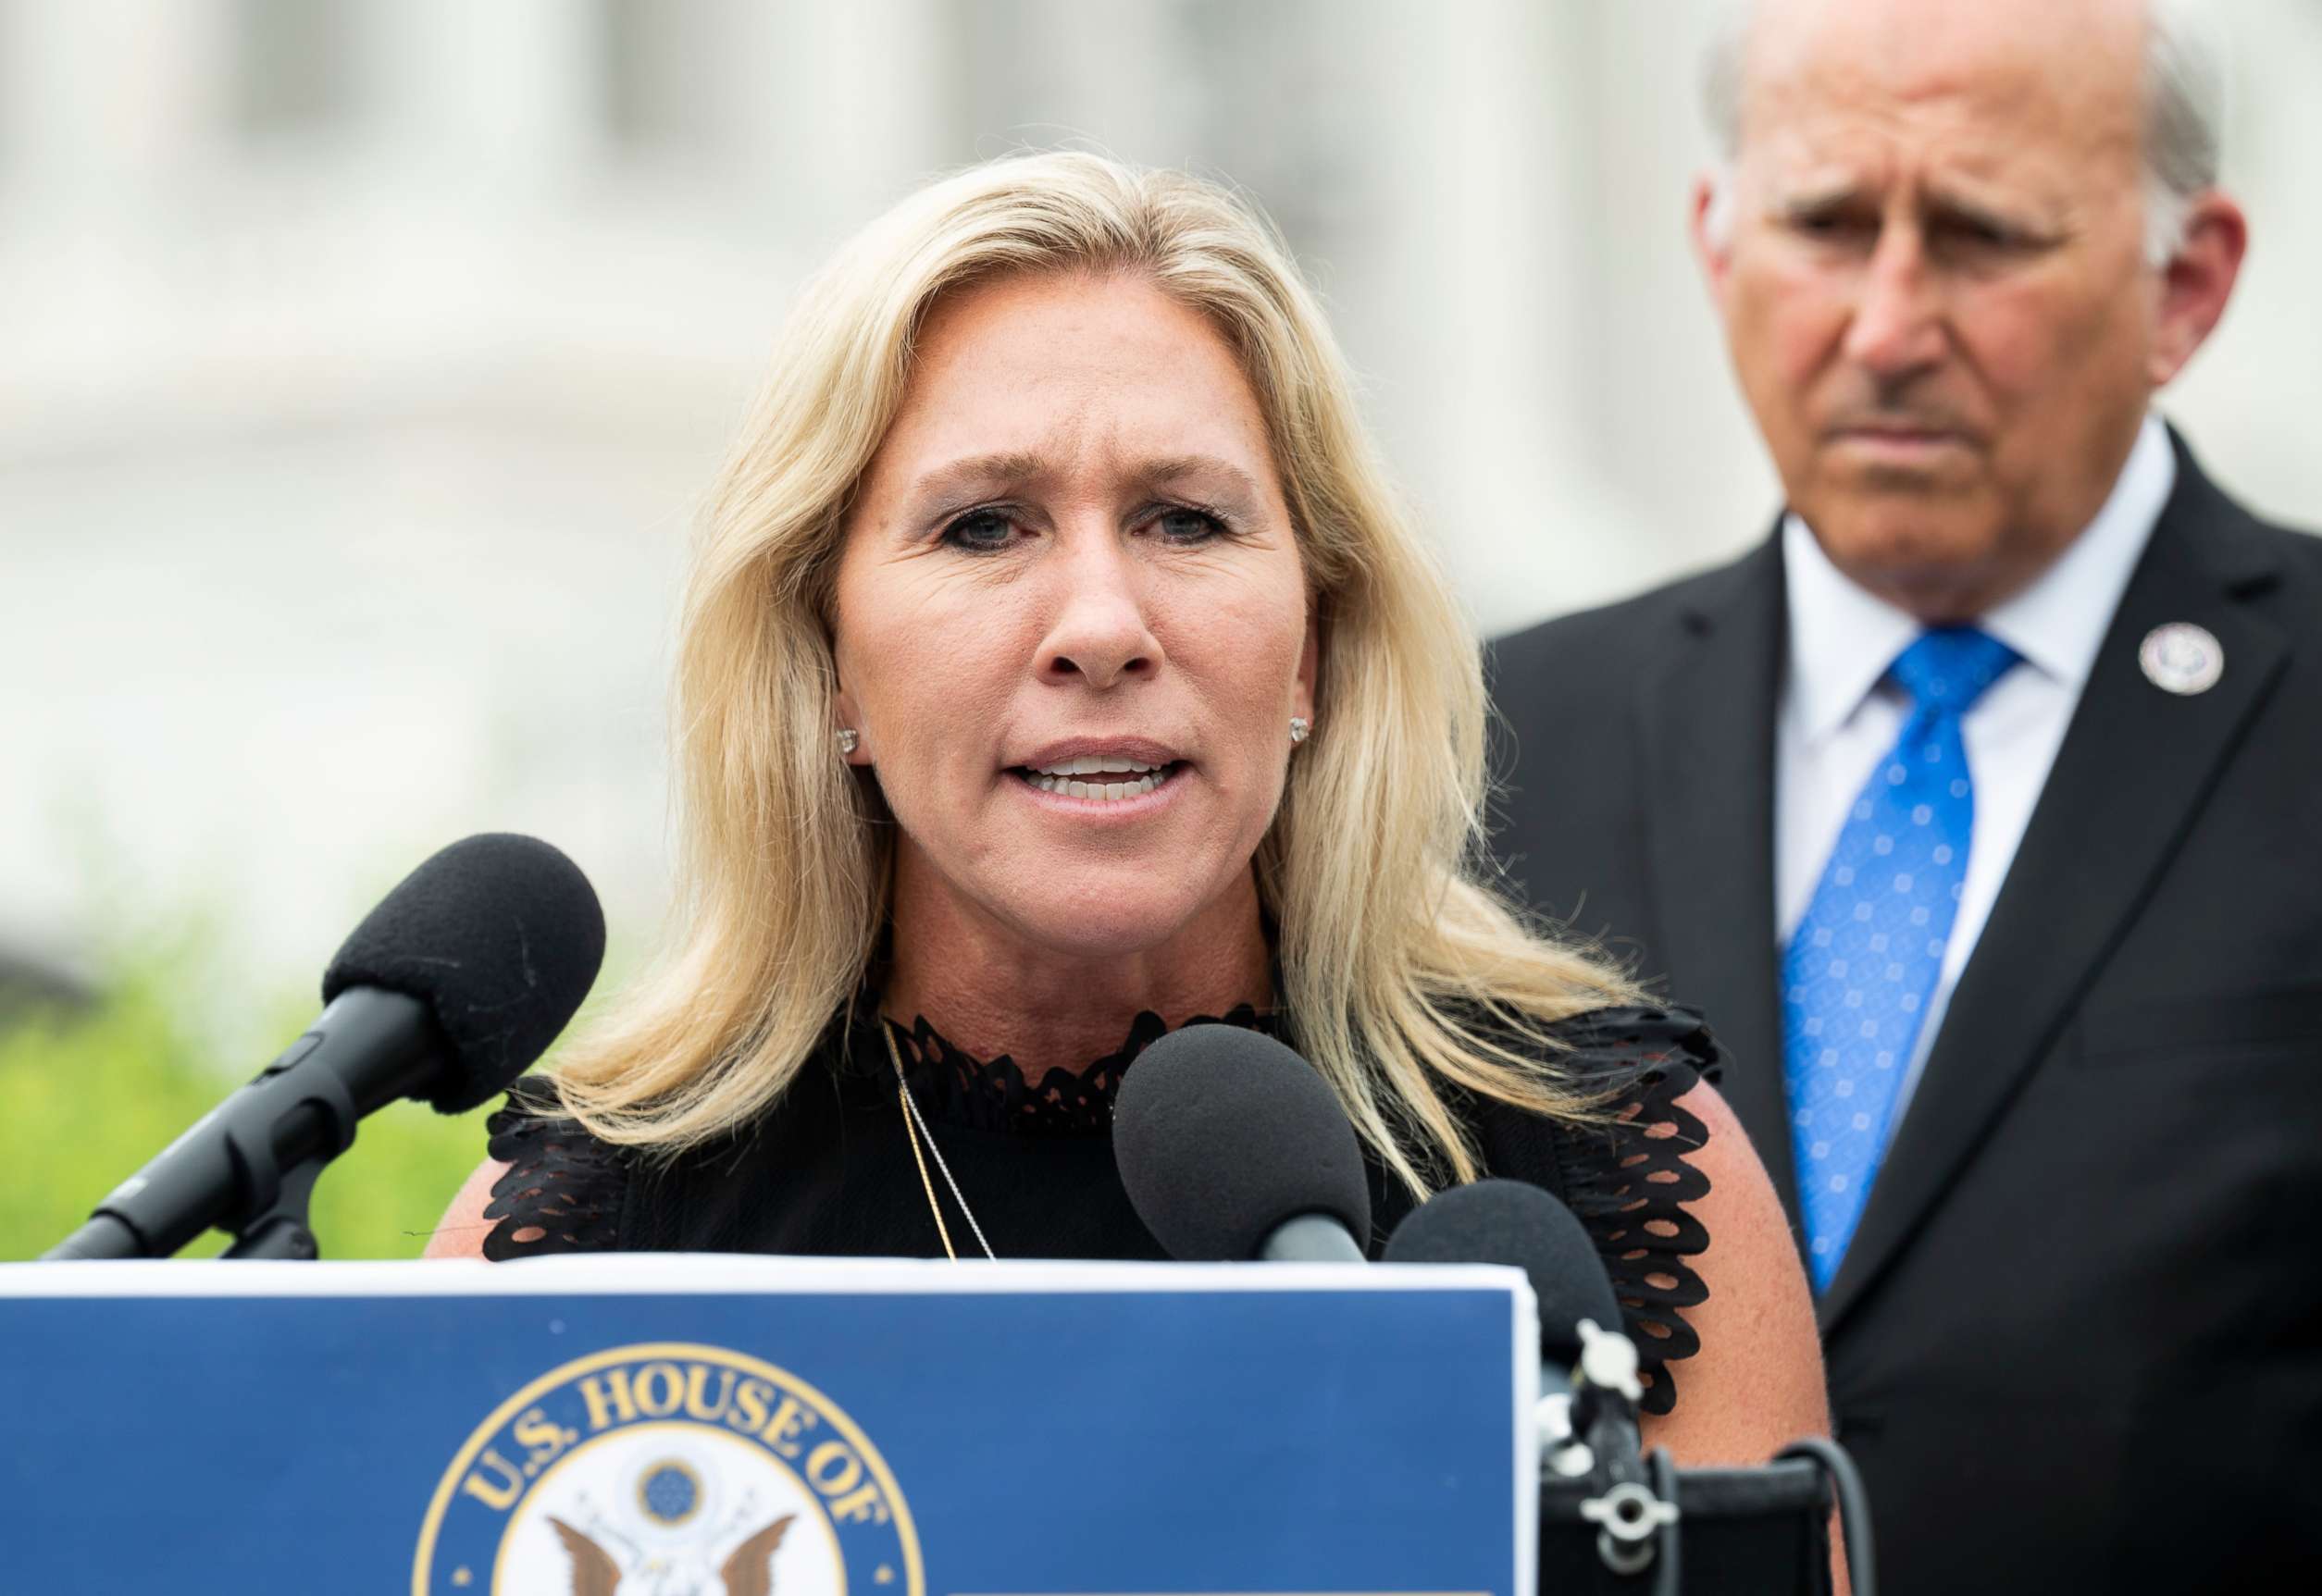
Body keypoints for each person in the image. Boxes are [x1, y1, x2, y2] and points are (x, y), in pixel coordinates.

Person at [426, 152, 1832, 1478]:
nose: (1102, 626)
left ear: (1313, 651)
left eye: (1186, 520)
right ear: (828, 661)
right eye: (984, 525)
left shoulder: (1612, 1171)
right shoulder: (588, 1238)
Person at [1488, 1, 2322, 1591]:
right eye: (1826, 224)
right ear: (1718, 242)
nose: (1888, 322)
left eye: (1981, 236)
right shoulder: (1486, 751)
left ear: (2183, 283)